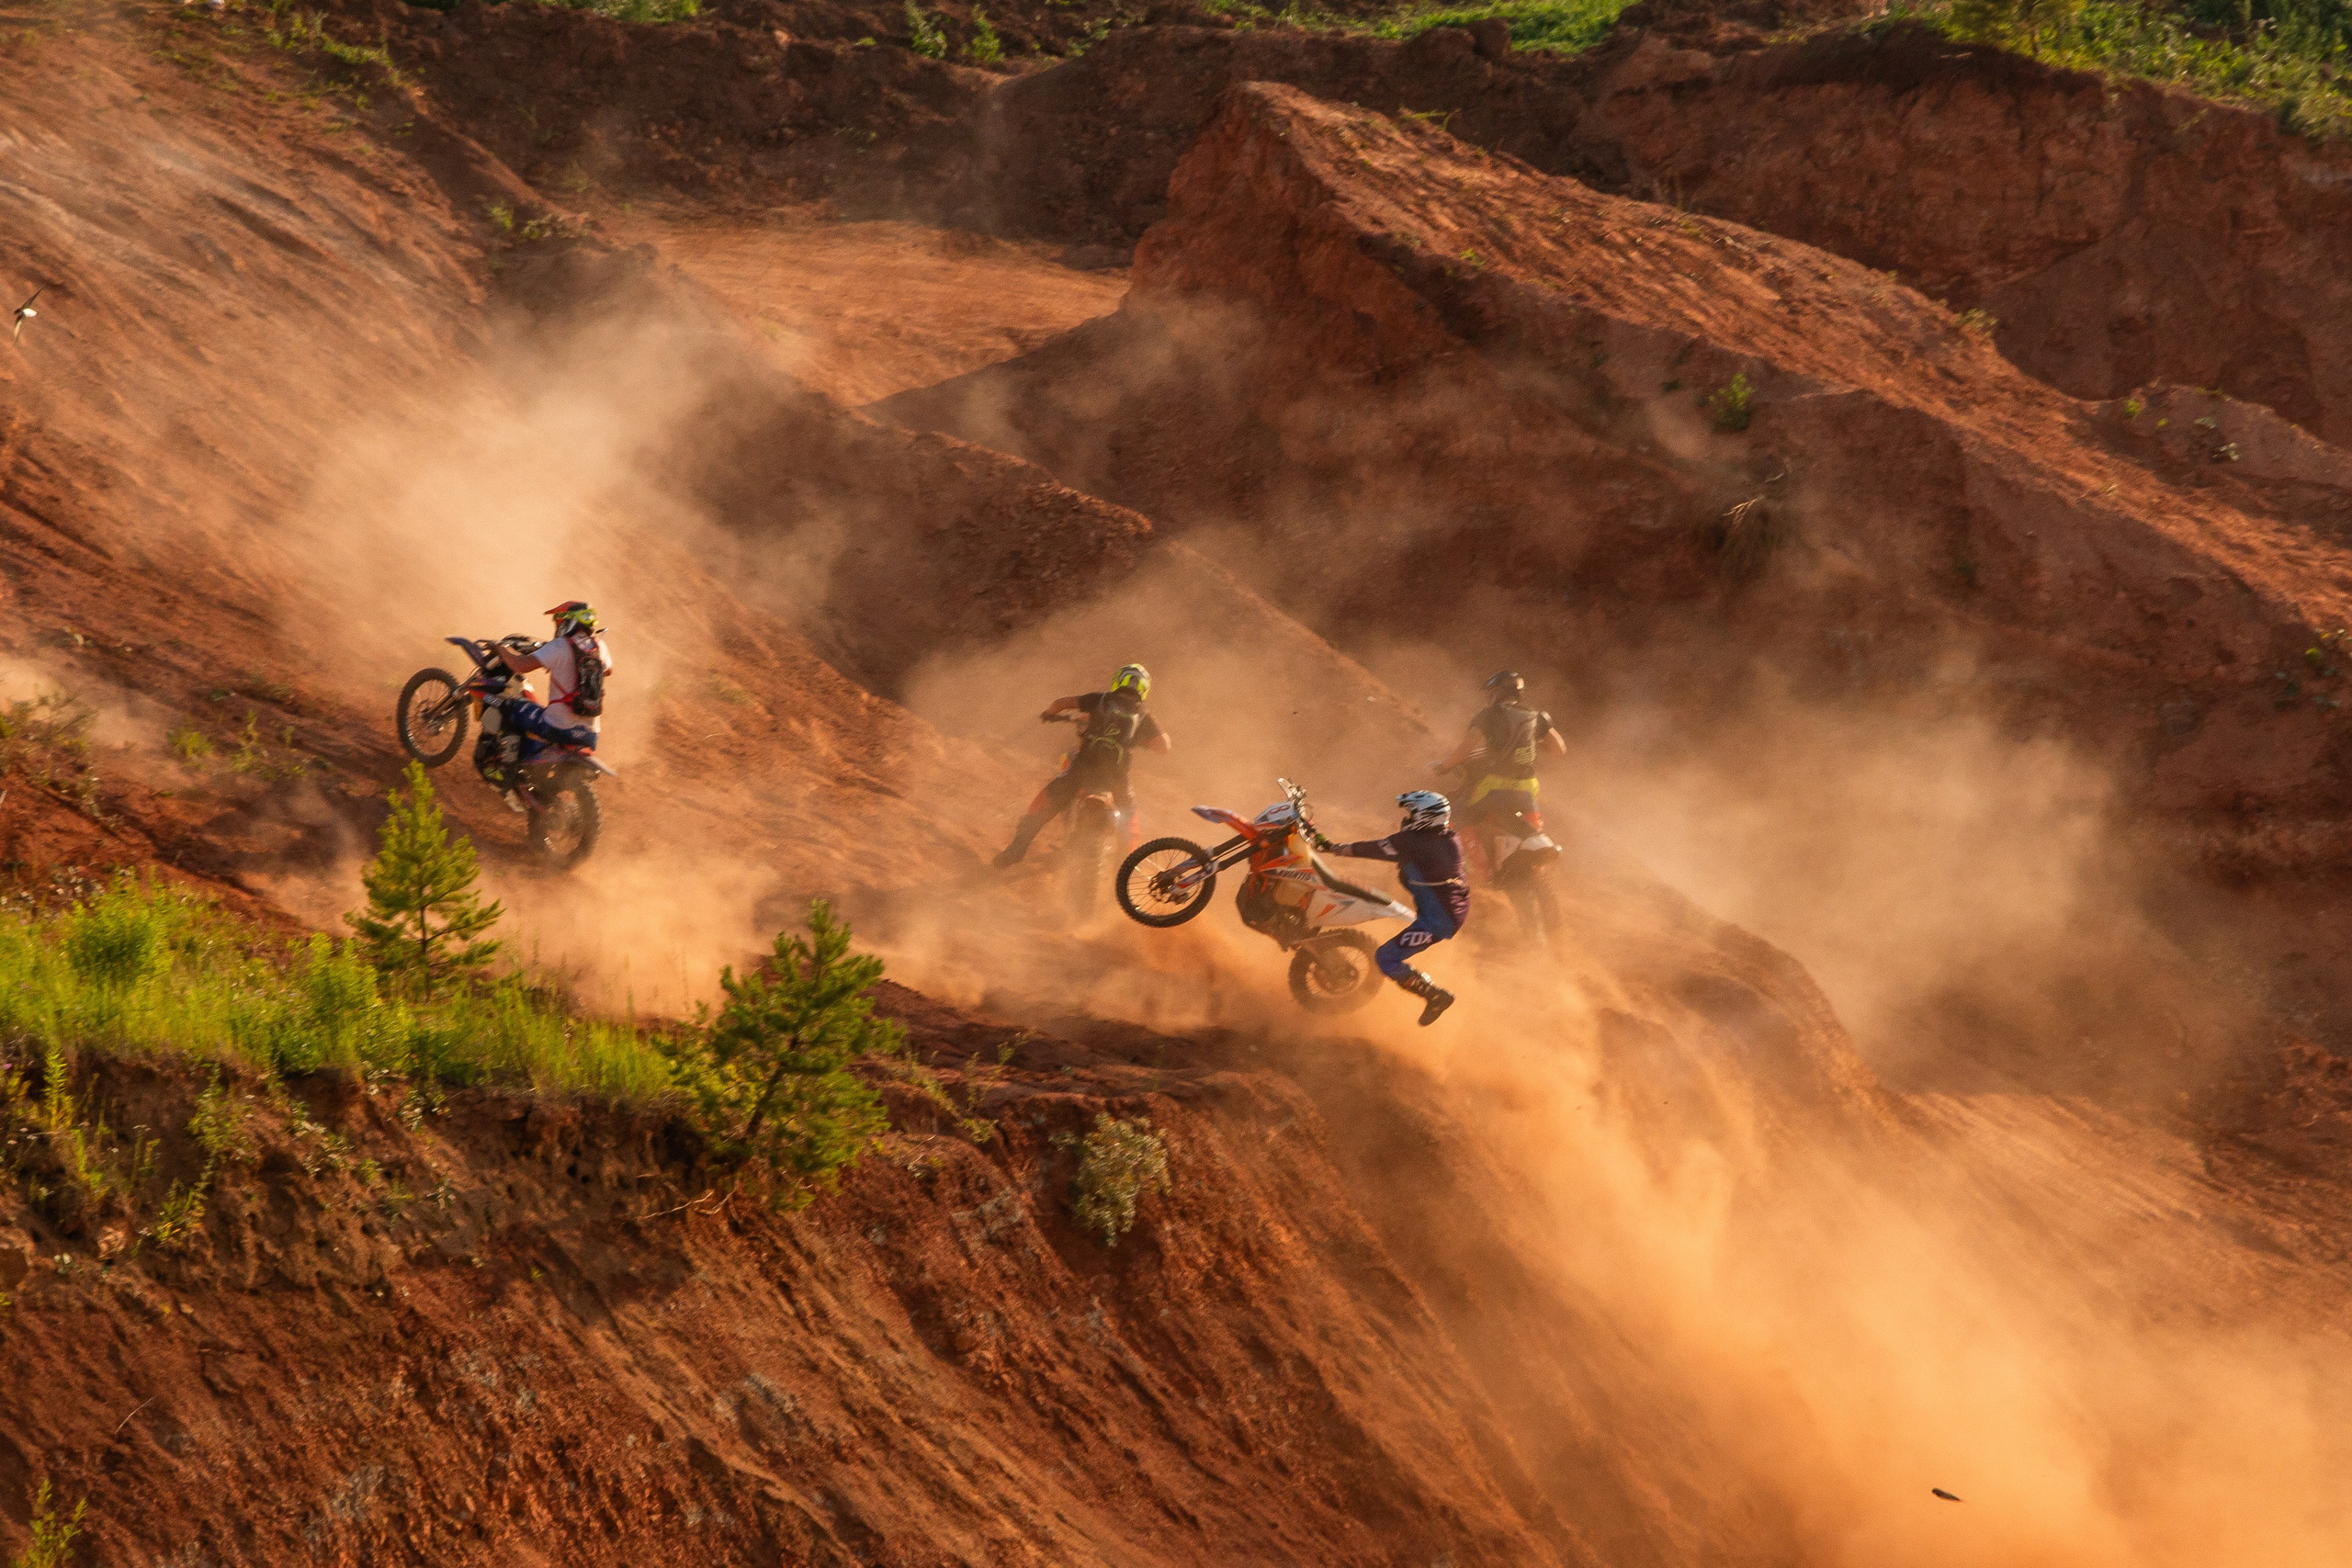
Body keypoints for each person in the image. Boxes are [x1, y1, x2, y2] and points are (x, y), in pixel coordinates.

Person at [993, 663, 1170, 867]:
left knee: (1043, 803)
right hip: (1117, 780)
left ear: (1118, 681)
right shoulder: (1143, 715)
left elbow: (1060, 703)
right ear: (1144, 689)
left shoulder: (1100, 699)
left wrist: (1050, 713)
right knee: (1129, 821)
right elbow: (1164, 747)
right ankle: (1125, 869)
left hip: (1082, 770)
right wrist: (1140, 741)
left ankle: (1016, 849)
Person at [1312, 790, 1464, 1026]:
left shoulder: (1416, 843)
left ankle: (1435, 995)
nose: (1407, 819)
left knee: (1386, 958)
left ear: (1426, 817)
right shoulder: (1447, 837)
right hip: (1449, 908)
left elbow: (1374, 848)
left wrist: (1331, 847)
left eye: (1412, 814)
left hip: (1439, 920)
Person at [482, 600, 611, 812]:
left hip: (558, 726)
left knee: (510, 706)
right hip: (590, 734)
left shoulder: (560, 646)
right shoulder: (600, 646)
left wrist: (500, 649)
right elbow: (608, 670)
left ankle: (505, 772)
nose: (557, 626)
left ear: (567, 623)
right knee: (529, 711)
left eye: (558, 621)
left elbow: (518, 665)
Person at [1434, 669, 1566, 868]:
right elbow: (1559, 750)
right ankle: (1536, 861)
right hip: (1528, 789)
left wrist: (1443, 767)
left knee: (1457, 815)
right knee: (1531, 822)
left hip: (1493, 787)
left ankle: (1484, 872)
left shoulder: (1488, 715)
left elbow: (1463, 751)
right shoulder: (1537, 716)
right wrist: (1532, 744)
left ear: (1496, 692)